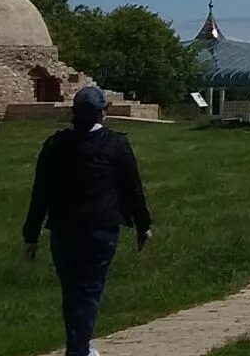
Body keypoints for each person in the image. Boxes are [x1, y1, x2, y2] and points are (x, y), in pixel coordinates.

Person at [22, 85, 153, 356]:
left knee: (72, 291)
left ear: (73, 113)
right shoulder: (116, 144)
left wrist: (31, 234)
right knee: (89, 290)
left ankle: (79, 345)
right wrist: (143, 225)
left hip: (64, 228)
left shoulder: (56, 145)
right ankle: (79, 350)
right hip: (101, 228)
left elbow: (41, 193)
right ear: (103, 112)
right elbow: (132, 188)